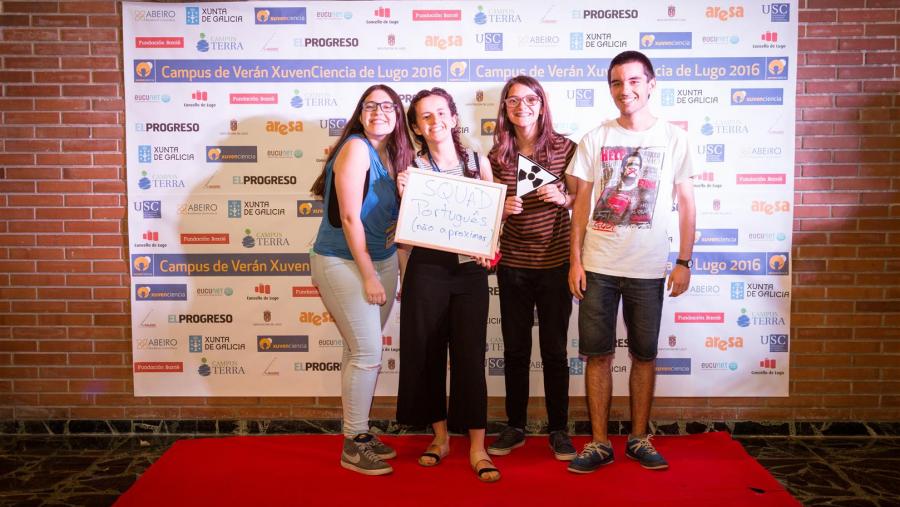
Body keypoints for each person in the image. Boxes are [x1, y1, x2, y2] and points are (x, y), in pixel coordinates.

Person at [566, 51, 696, 474]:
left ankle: (639, 438)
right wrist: (575, 261)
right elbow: (580, 205)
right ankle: (599, 443)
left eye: (634, 80)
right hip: (598, 265)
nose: (626, 90)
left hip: (648, 268)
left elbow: (687, 204)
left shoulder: (674, 138)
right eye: (617, 82)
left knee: (644, 356)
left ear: (651, 84)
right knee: (597, 356)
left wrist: (684, 260)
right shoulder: (595, 138)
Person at [394, 87, 500, 482]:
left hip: (469, 272)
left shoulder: (477, 162)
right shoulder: (411, 170)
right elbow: (405, 231)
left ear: (453, 118)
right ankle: (439, 438)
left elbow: (493, 222)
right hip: (427, 269)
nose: (434, 120)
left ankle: (477, 445)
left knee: (471, 356)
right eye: (425, 116)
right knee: (429, 354)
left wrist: (490, 249)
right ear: (417, 127)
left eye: (441, 112)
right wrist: (404, 194)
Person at [309, 84, 414, 476]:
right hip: (343, 261)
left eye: (387, 106)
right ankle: (353, 444)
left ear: (398, 115)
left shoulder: (397, 156)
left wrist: (399, 271)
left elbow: (399, 225)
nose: (379, 112)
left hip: (382, 260)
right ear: (360, 113)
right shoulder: (356, 148)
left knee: (358, 352)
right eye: (371, 106)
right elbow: (351, 217)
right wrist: (369, 274)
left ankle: (359, 433)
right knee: (368, 354)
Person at [485, 76, 578, 461]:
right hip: (513, 267)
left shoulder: (565, 148)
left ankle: (559, 429)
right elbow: (484, 209)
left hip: (555, 264)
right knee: (516, 349)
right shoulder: (497, 156)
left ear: (541, 104)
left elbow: (581, 199)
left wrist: (563, 196)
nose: (521, 106)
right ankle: (515, 426)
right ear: (505, 108)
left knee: (555, 351)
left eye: (529, 99)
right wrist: (501, 209)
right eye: (512, 101)